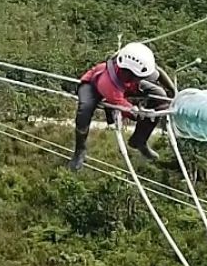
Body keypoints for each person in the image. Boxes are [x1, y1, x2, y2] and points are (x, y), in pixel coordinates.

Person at [69, 41, 176, 171]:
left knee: (160, 96)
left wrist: (173, 92)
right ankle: (80, 151)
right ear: (129, 73)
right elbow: (127, 109)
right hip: (93, 86)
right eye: (141, 76)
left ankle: (139, 140)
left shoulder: (133, 64)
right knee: (84, 110)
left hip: (126, 85)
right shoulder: (107, 83)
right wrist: (141, 112)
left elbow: (158, 72)